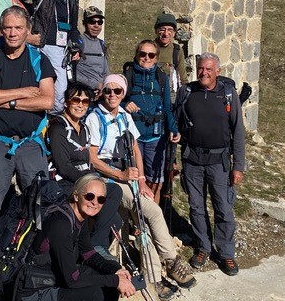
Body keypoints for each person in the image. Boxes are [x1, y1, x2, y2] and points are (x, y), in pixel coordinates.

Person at [0, 5, 55, 298]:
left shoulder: (39, 59)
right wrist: (22, 93)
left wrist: (5, 101)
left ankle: (34, 262)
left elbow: (47, 101)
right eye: (8, 28)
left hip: (30, 142)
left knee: (39, 205)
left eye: (18, 28)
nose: (13, 33)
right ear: (0, 30)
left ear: (27, 30)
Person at [86, 75, 195, 301]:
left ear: (123, 93)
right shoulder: (95, 118)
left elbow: (135, 148)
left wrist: (142, 180)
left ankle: (152, 277)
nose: (112, 95)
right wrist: (121, 175)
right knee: (152, 211)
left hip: (128, 176)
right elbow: (93, 159)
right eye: (108, 91)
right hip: (108, 179)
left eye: (117, 91)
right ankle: (171, 262)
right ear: (102, 93)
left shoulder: (124, 115)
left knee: (141, 223)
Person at [174, 52, 245, 275]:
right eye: (201, 68)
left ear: (218, 72)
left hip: (219, 162)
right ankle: (203, 247)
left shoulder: (228, 94)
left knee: (223, 207)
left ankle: (226, 253)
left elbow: (238, 131)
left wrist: (238, 166)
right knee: (196, 207)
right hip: (192, 160)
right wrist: (173, 159)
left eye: (208, 69)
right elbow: (175, 126)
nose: (203, 73)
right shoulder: (186, 92)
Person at [15, 173, 136, 301]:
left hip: (53, 277)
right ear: (76, 196)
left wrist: (115, 271)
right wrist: (115, 280)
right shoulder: (61, 224)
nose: (95, 203)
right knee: (94, 293)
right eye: (90, 196)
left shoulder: (79, 217)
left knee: (109, 276)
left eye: (101, 199)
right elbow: (73, 280)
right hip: (34, 290)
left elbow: (89, 254)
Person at [48, 82, 122, 258]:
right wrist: (92, 183)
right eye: (76, 100)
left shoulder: (84, 129)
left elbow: (88, 162)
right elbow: (64, 167)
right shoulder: (58, 127)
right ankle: (96, 247)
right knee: (113, 198)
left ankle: (92, 247)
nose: (80, 105)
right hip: (63, 183)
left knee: (116, 217)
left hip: (84, 180)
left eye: (85, 101)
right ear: (67, 102)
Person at [16, 0, 80, 114]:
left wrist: (77, 47)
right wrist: (31, 13)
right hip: (39, 44)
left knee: (61, 89)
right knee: (35, 83)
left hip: (60, 49)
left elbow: (73, 26)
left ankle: (52, 119)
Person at [123, 41, 180, 204]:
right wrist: (124, 104)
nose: (146, 58)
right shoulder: (128, 76)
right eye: (142, 54)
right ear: (136, 55)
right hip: (133, 138)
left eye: (151, 55)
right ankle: (136, 216)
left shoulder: (162, 78)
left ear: (156, 58)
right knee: (133, 180)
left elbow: (167, 108)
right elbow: (114, 100)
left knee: (156, 182)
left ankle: (152, 215)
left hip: (156, 137)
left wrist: (174, 128)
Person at [75, 6, 109, 98]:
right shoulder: (77, 42)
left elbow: (106, 71)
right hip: (82, 92)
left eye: (100, 22)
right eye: (92, 22)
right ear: (84, 23)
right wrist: (95, 85)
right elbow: (71, 73)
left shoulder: (102, 44)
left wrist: (105, 86)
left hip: (101, 92)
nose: (96, 25)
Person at [153, 14, 187, 102]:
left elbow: (183, 79)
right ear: (156, 31)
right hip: (151, 94)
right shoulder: (148, 48)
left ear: (174, 33)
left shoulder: (177, 50)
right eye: (162, 29)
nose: (166, 34)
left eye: (170, 30)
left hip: (171, 96)